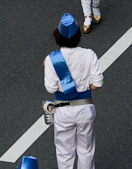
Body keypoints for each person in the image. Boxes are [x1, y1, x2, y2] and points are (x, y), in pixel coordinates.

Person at [44, 13, 103, 169]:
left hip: (63, 110)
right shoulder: (89, 54)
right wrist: (84, 87)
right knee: (86, 150)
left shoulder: (51, 59)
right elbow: (97, 83)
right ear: (78, 36)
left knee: (65, 153)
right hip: (85, 108)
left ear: (58, 36)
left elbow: (50, 88)